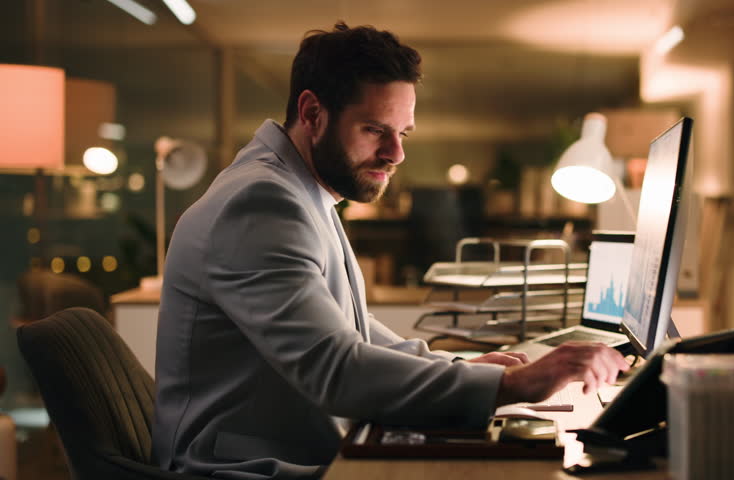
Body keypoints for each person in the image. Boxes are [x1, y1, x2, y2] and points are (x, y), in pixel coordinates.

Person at [152, 22, 629, 479]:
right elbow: (336, 369)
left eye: (403, 134)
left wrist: (459, 368)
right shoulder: (262, 203)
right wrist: (510, 385)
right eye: (376, 130)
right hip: (244, 468)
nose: (396, 154)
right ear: (313, 113)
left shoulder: (295, 189)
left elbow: (351, 334)